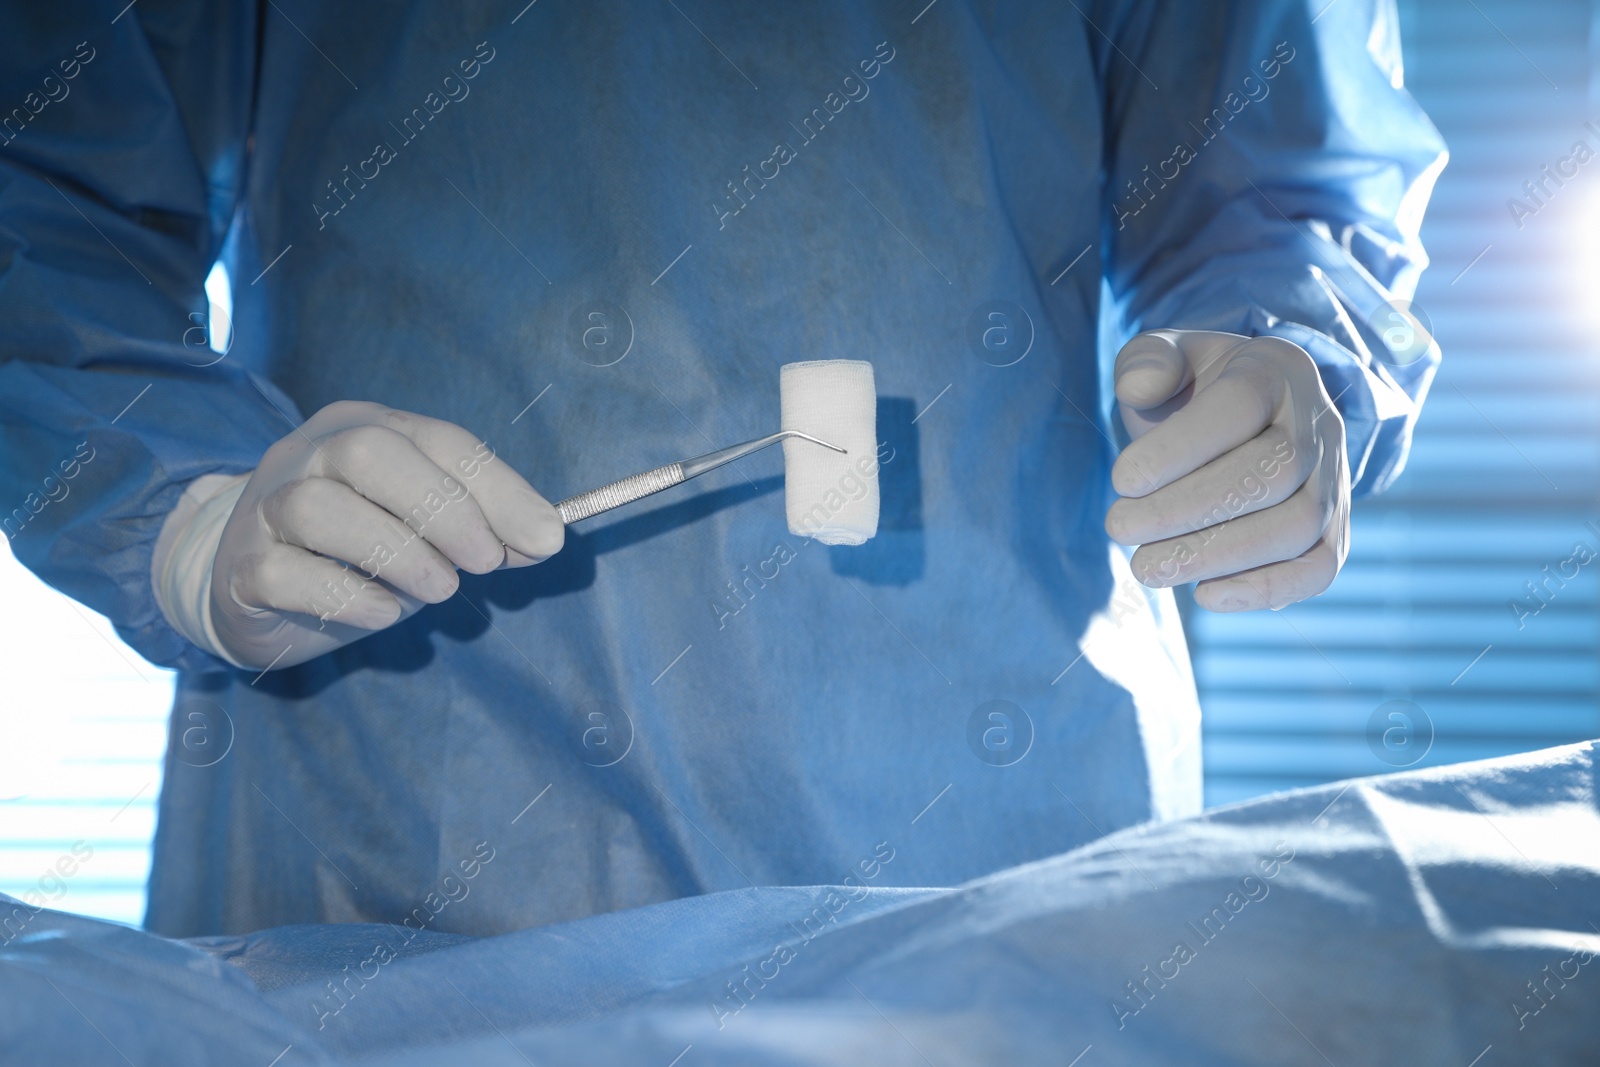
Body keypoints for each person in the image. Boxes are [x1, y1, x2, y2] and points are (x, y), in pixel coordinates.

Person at [0, 0, 1443, 938]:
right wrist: (188, 516)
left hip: (994, 834)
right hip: (385, 846)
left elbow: (1288, 175)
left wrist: (1286, 360)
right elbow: (34, 195)